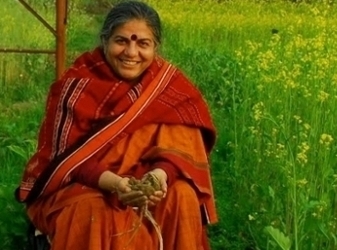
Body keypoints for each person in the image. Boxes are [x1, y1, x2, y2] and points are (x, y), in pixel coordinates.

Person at [15, 1, 217, 249]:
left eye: (143, 43)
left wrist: (158, 177)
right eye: (121, 41)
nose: (131, 53)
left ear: (156, 47)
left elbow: (179, 148)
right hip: (85, 184)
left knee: (182, 196)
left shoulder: (169, 88)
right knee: (96, 211)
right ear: (105, 41)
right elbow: (67, 159)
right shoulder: (75, 87)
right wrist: (117, 184)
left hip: (146, 179)